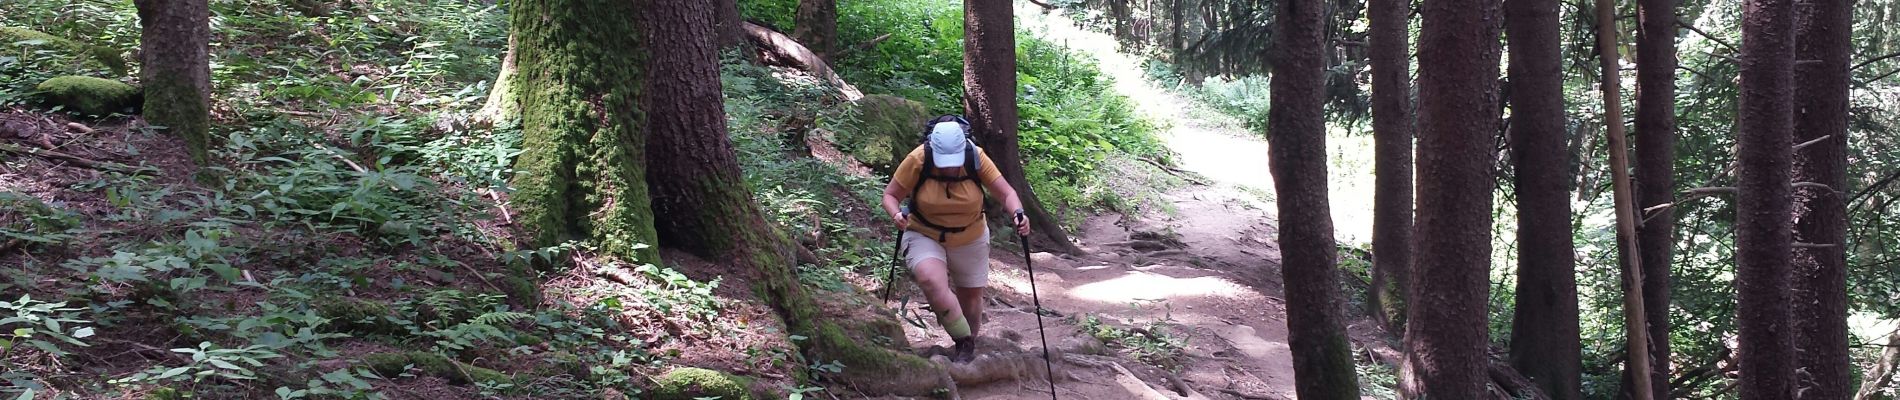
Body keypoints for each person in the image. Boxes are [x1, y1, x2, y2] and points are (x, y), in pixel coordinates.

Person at [880, 115, 1031, 363]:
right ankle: (964, 341)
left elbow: (1006, 193)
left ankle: (966, 352)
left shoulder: (976, 157)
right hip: (924, 232)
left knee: (971, 297)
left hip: (970, 234)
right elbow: (890, 195)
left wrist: (1018, 213)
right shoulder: (919, 158)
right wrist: (896, 214)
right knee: (931, 280)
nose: (949, 167)